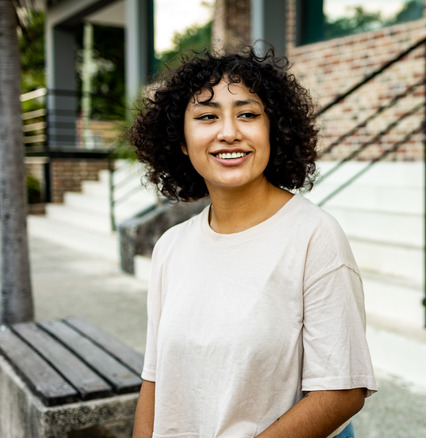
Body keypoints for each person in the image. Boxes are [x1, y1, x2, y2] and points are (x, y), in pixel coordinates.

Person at [128, 47, 377, 438]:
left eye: (247, 114)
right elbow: (156, 378)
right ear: (180, 140)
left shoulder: (314, 235)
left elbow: (342, 391)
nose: (229, 132)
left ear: (273, 130)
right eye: (207, 117)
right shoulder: (171, 246)